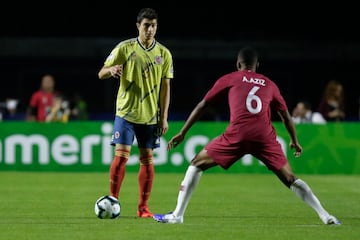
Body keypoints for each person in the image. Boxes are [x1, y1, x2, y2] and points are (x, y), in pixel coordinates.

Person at [152, 47, 340, 225]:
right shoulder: (269, 84)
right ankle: (326, 215)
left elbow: (203, 105)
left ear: (238, 64)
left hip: (237, 134)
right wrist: (294, 141)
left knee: (196, 164)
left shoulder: (230, 78)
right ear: (257, 66)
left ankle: (177, 215)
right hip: (263, 136)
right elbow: (286, 116)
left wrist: (183, 132)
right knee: (290, 178)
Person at [97, 8, 174, 218]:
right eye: (146, 25)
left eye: (154, 25)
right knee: (121, 157)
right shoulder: (125, 48)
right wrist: (111, 70)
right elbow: (101, 72)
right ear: (138, 26)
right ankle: (113, 201)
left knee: (147, 160)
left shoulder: (164, 54)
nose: (150, 29)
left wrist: (164, 116)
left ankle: (143, 209)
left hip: (150, 116)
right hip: (126, 113)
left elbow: (165, 87)